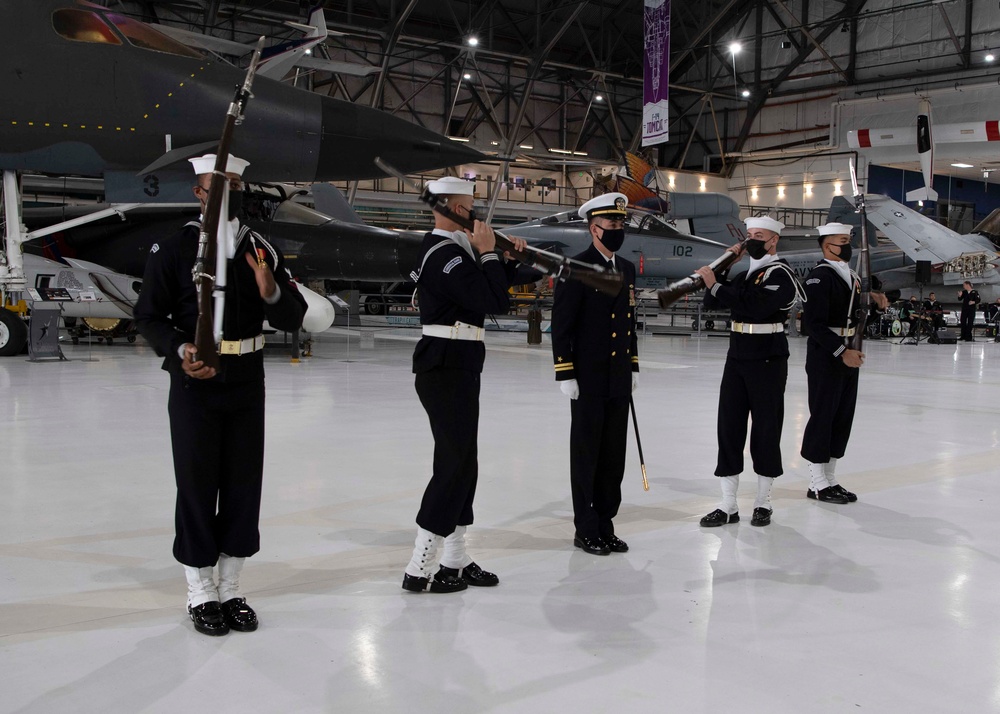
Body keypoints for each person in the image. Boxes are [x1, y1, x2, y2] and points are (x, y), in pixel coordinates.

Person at [134, 154, 307, 636]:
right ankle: (199, 588)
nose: (228, 192)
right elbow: (148, 316)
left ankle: (231, 586)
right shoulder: (174, 249)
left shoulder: (261, 250)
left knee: (242, 484)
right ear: (198, 192)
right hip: (196, 381)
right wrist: (180, 347)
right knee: (196, 482)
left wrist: (271, 290)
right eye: (219, 184)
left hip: (247, 378)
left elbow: (292, 317)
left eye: (235, 184)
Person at [402, 176, 526, 593]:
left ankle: (455, 558)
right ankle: (420, 566)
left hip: (459, 363)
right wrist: (490, 253)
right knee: (453, 464)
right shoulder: (444, 254)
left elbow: (485, 291)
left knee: (463, 463)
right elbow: (493, 302)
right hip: (446, 365)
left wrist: (504, 261)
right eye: (469, 207)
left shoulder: (456, 250)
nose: (476, 215)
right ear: (452, 208)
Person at [695, 216, 803, 529]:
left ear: (773, 241)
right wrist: (724, 267)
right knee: (728, 427)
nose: (752, 239)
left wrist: (716, 285)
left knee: (766, 428)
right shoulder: (746, 273)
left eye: (759, 235)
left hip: (767, 357)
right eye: (749, 234)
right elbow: (712, 302)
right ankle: (727, 504)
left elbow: (755, 307)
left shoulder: (781, 274)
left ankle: (763, 502)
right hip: (738, 354)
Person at [551, 193, 639, 555]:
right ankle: (585, 527)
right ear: (593, 228)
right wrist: (564, 372)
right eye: (611, 224)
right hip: (587, 377)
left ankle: (605, 522)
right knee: (587, 454)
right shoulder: (577, 266)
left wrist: (632, 366)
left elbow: (629, 323)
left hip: (617, 377)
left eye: (621, 224)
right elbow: (562, 325)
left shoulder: (627, 269)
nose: (617, 229)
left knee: (613, 455)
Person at [800, 222, 888, 504]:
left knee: (842, 417)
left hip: (848, 353)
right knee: (823, 415)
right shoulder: (819, 277)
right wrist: (841, 351)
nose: (848, 245)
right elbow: (813, 325)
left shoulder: (852, 276)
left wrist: (877, 309)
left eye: (848, 239)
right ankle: (816, 481)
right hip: (828, 355)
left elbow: (856, 322)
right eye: (842, 240)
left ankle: (830, 478)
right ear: (827, 245)